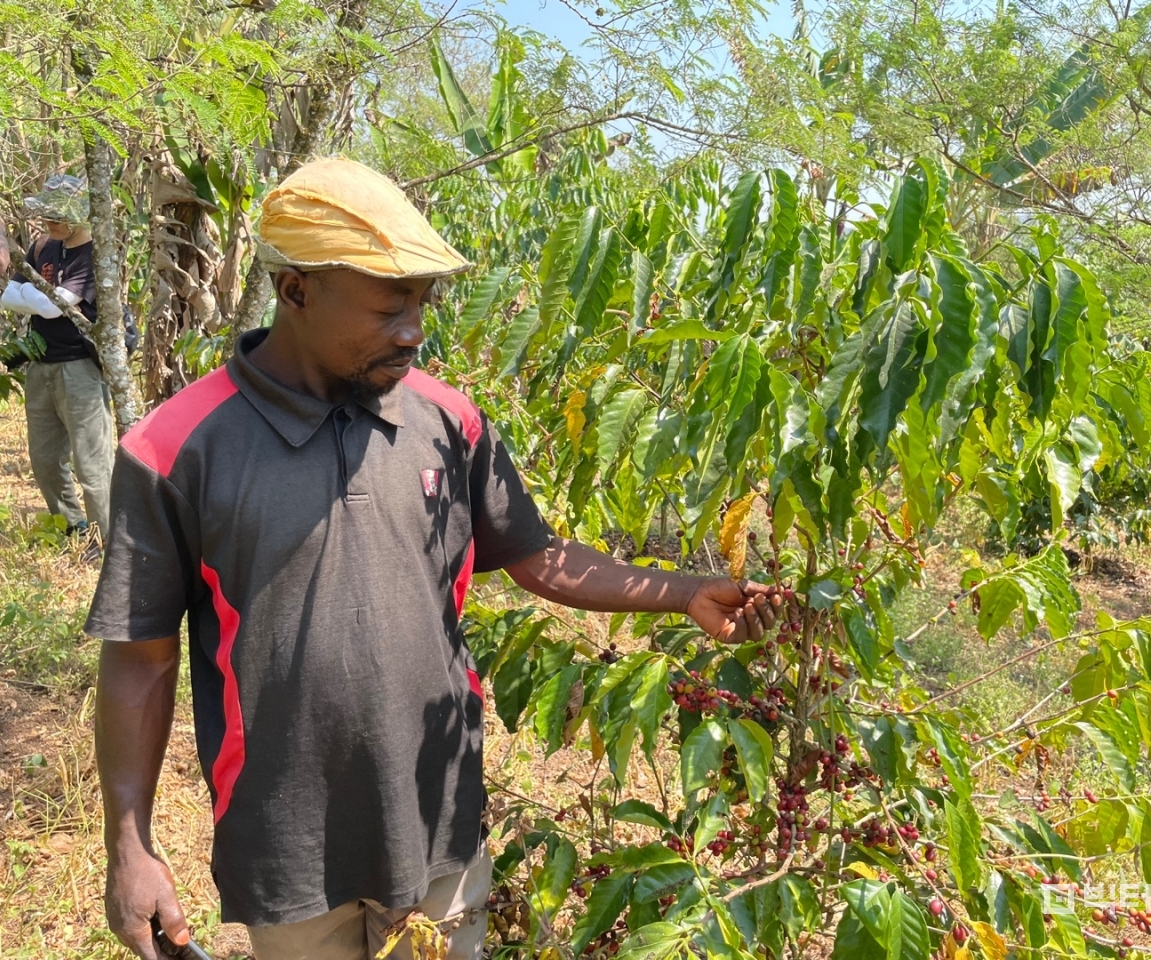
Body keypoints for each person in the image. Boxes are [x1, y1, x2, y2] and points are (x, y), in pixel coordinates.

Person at [88, 158, 782, 960]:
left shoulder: (447, 421)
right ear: (297, 290)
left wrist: (685, 591)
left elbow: (539, 557)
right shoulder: (174, 449)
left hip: (438, 818)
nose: (414, 329)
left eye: (423, 301)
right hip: (285, 841)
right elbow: (138, 658)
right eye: (390, 304)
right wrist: (129, 847)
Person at [0, 174, 114, 548]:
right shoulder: (41, 246)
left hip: (79, 366)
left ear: (78, 215)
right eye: (46, 214)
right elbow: (10, 296)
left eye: (57, 215)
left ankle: (106, 542)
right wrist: (40, 299)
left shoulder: (94, 254)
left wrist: (35, 297)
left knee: (92, 464)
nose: (49, 222)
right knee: (45, 459)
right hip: (41, 365)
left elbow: (52, 306)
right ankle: (72, 528)